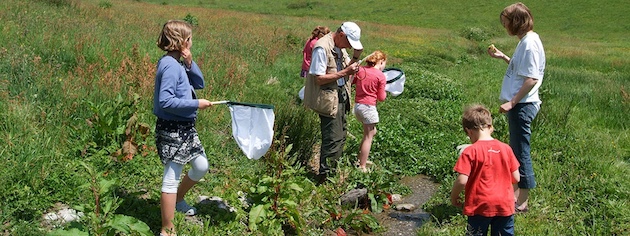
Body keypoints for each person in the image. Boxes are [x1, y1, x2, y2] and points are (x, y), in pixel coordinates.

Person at [153, 20, 213, 236]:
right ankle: (166, 229)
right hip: (172, 130)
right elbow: (165, 102)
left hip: (186, 129)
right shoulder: (169, 66)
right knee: (171, 177)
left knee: (201, 166)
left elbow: (199, 84)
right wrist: (197, 104)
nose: (191, 42)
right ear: (181, 42)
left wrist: (190, 63)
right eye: (189, 39)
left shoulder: (178, 63)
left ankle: (178, 199)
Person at [487, 2, 545, 213]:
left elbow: (531, 78)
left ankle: (522, 201)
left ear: (516, 22)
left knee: (521, 152)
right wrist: (503, 57)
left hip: (523, 105)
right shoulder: (528, 40)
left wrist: (512, 102)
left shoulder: (529, 43)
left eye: (506, 22)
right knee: (517, 149)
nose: (505, 26)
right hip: (521, 103)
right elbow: (523, 70)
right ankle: (517, 194)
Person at [304, 21, 364, 183]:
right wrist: (345, 71)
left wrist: (355, 58)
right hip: (328, 98)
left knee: (341, 134)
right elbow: (319, 79)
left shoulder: (340, 47)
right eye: (349, 43)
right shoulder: (321, 48)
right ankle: (324, 179)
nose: (349, 47)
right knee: (332, 137)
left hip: (341, 94)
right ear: (341, 35)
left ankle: (331, 172)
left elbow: (345, 71)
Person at [450, 104, 520, 236]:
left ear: (469, 131)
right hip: (504, 204)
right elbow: (516, 178)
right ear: (491, 128)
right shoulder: (506, 148)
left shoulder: (470, 151)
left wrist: (454, 197)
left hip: (480, 205)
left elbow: (462, 180)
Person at [351, 50, 387, 172]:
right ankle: (362, 166)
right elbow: (381, 98)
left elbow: (352, 82)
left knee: (371, 132)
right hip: (368, 107)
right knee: (368, 136)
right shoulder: (380, 76)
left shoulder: (361, 70)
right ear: (381, 62)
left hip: (357, 106)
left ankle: (361, 157)